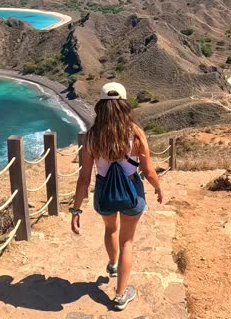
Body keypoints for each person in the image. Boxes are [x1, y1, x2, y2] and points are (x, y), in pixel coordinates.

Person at [70, 82, 164, 311]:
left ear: (100, 106)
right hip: (132, 191)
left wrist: (76, 209)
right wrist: (158, 188)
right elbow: (149, 171)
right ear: (124, 105)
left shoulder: (92, 137)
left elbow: (84, 178)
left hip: (104, 193)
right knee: (127, 242)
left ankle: (113, 264)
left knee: (110, 229)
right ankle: (120, 295)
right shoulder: (135, 132)